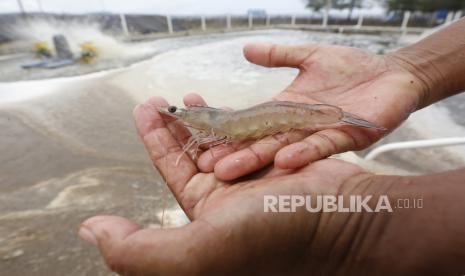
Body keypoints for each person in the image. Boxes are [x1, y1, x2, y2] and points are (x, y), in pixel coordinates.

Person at [78, 18, 465, 275]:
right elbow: (214, 125)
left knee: (229, 133)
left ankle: (342, 116)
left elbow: (224, 129)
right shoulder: (206, 120)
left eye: (179, 112)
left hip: (287, 116)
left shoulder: (216, 125)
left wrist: (347, 228)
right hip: (264, 118)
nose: (178, 115)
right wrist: (410, 70)